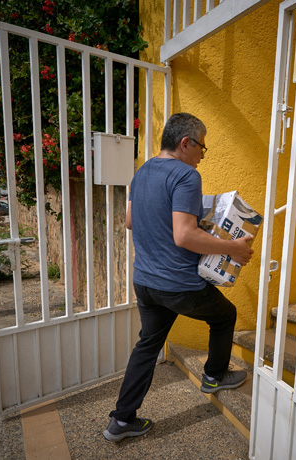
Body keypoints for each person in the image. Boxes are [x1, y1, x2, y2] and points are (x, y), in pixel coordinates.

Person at [103, 112, 254, 442]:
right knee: (225, 315)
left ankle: (121, 421)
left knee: (147, 346)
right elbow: (185, 236)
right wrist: (232, 248)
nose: (202, 154)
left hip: (145, 281)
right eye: (202, 147)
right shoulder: (186, 176)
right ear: (185, 143)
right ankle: (214, 375)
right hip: (177, 285)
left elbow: (130, 220)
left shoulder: (142, 172)